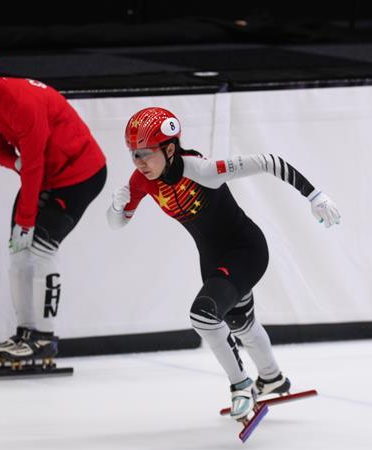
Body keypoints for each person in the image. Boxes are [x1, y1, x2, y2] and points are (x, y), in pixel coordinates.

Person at [109, 107, 340, 422]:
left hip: (246, 251)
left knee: (202, 316)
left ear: (170, 148)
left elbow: (268, 162)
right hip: (213, 261)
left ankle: (241, 385)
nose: (139, 163)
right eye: (134, 155)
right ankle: (272, 378)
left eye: (145, 154)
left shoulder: (203, 170)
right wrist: (117, 207)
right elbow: (117, 223)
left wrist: (315, 196)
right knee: (240, 323)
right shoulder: (141, 180)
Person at [0, 40, 107, 362]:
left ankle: (45, 337)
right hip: (44, 174)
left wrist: (27, 219)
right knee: (18, 251)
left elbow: (34, 166)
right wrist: (13, 164)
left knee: (42, 247)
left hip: (79, 175)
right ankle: (26, 332)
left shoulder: (22, 101)